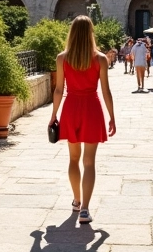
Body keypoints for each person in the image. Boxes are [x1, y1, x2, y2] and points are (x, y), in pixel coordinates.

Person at [49, 16, 116, 225]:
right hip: (92, 108)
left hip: (71, 108)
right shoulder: (100, 59)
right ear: (90, 33)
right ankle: (85, 209)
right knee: (89, 162)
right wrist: (112, 116)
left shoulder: (62, 58)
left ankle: (76, 201)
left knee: (73, 159)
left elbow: (59, 89)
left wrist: (54, 115)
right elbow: (106, 91)